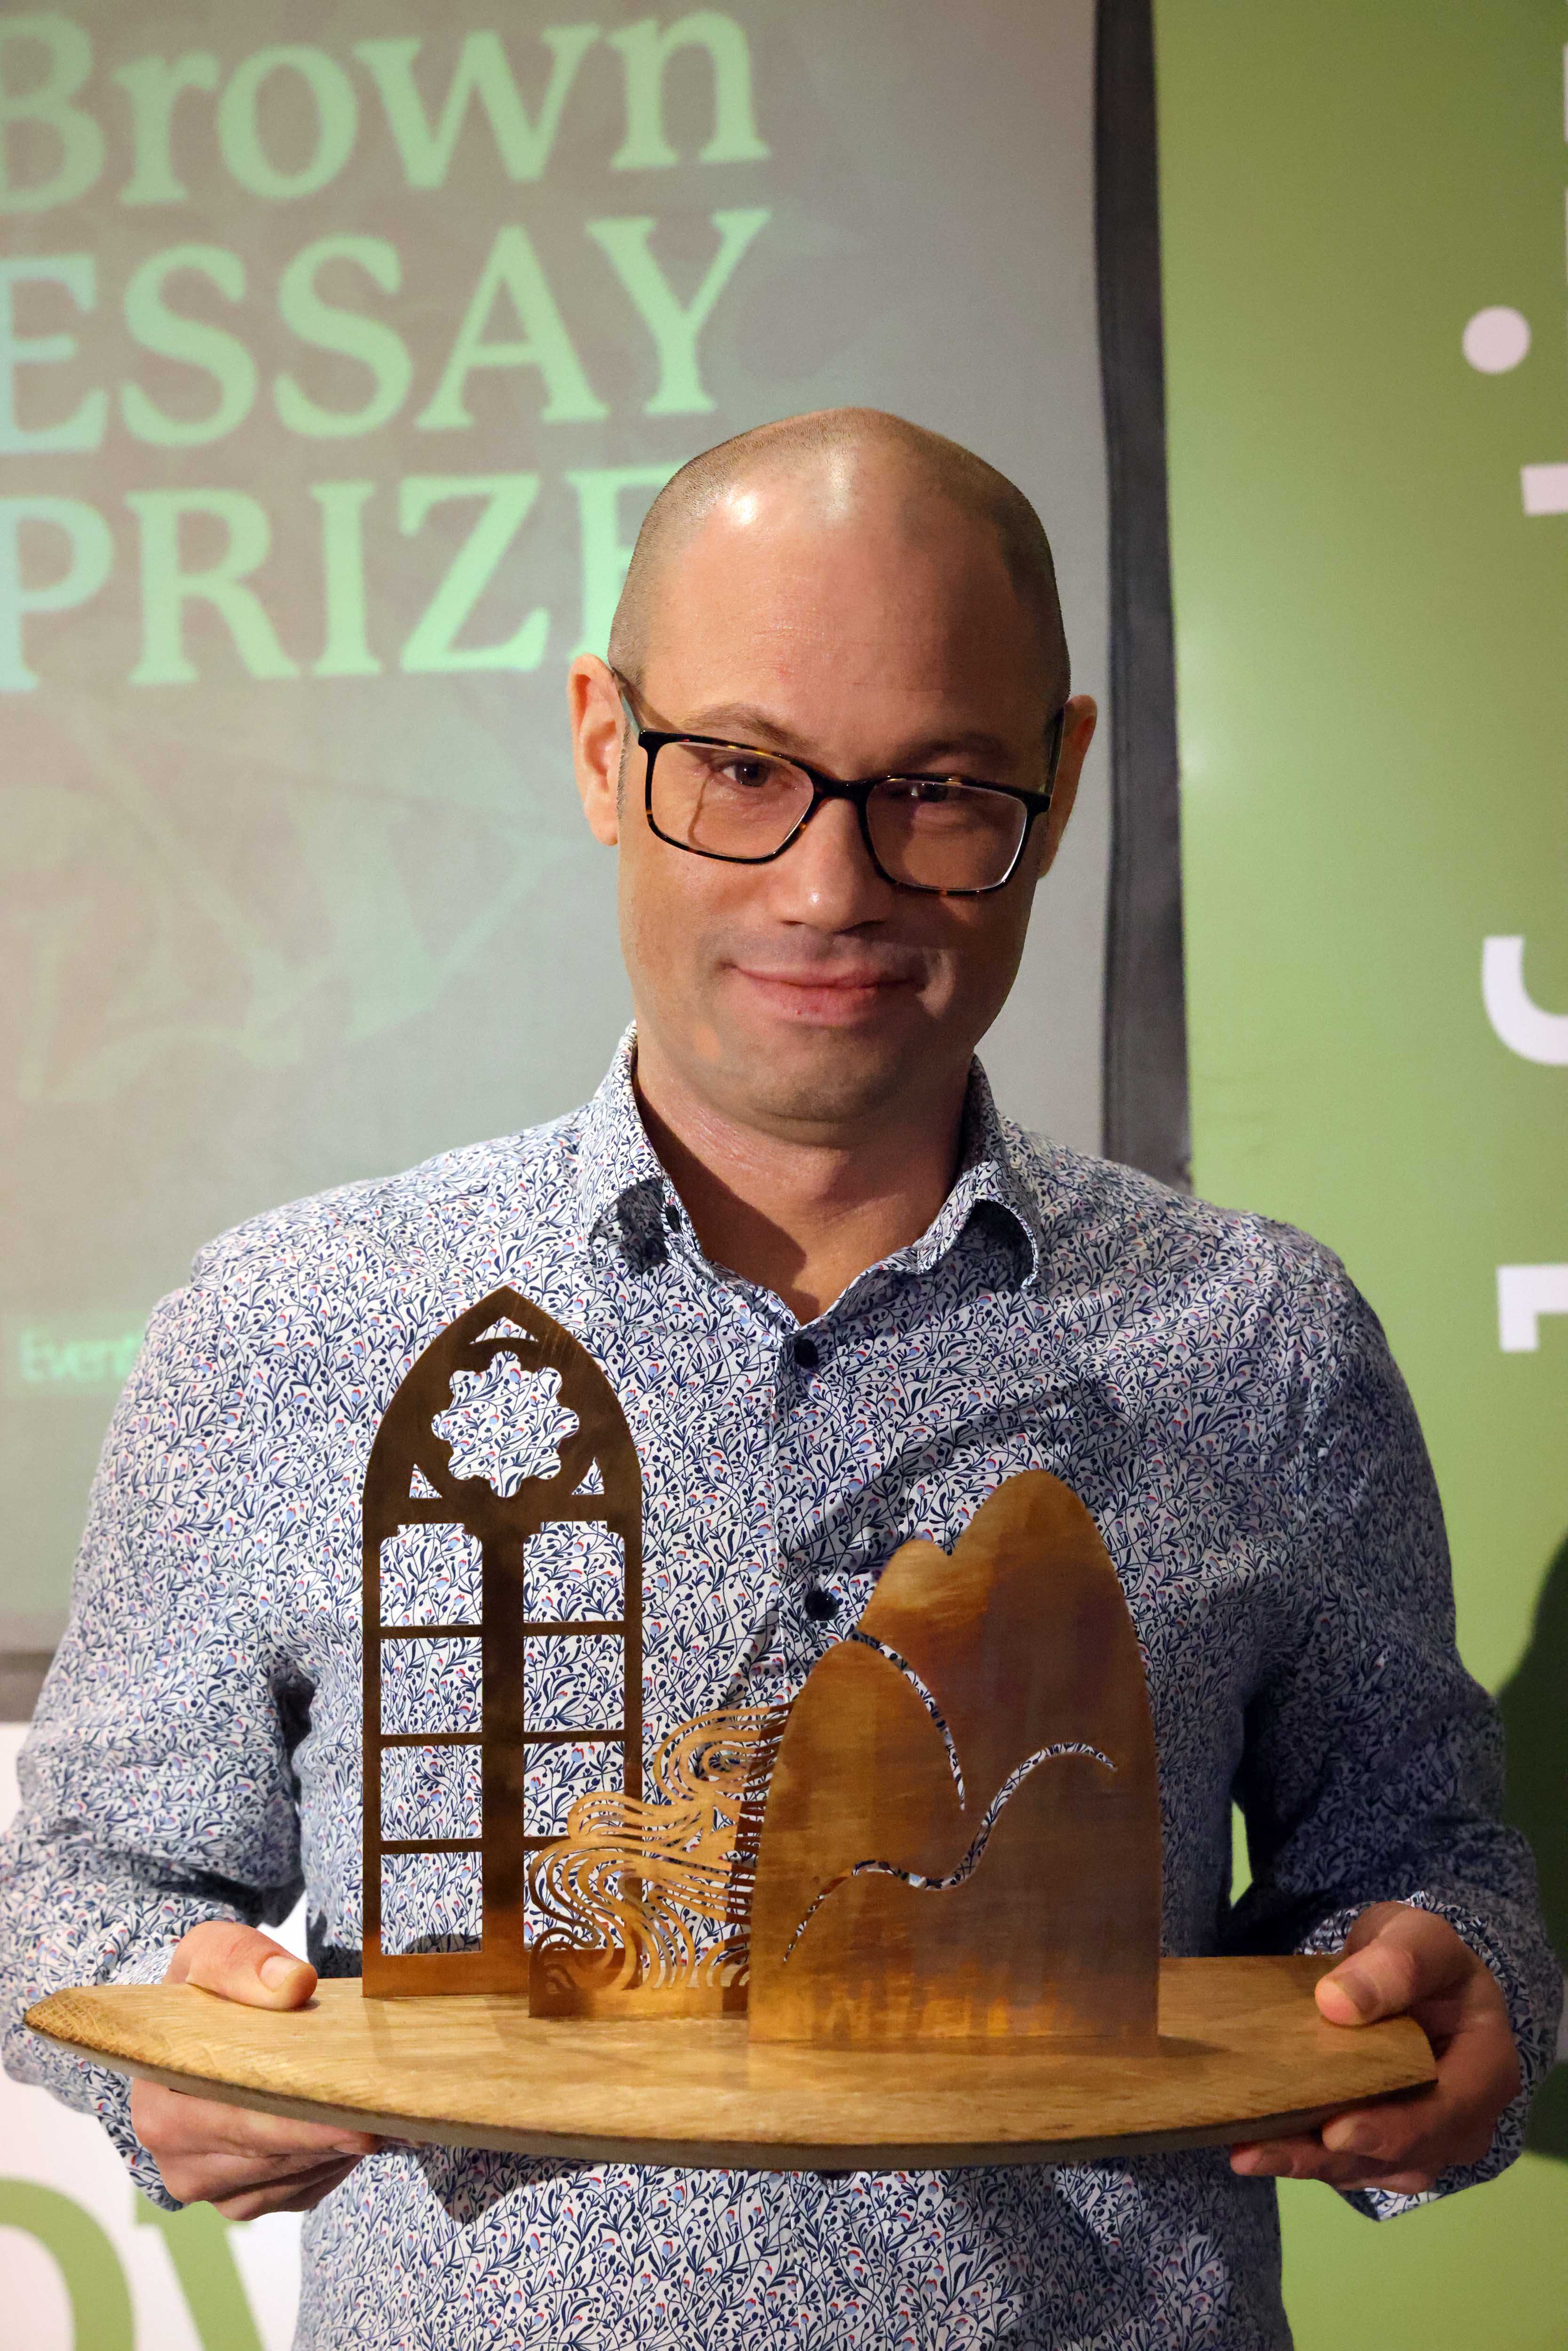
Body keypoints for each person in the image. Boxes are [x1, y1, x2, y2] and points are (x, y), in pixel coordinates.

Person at [0, 408, 1558, 2349]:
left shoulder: (1259, 1338)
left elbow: (1425, 1859)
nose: (832, 885)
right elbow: (73, 1883)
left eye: (935, 787)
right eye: (738, 768)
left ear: (1058, 782)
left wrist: (1456, 1991)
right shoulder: (289, 1325)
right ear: (600, 744)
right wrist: (160, 2052)